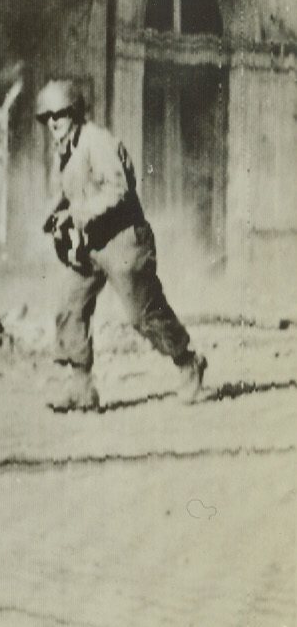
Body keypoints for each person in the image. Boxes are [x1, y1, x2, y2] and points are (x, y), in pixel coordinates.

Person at [35, 78, 207, 412]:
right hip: (90, 244)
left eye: (61, 114)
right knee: (70, 306)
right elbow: (72, 190)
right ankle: (81, 388)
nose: (54, 122)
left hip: (123, 240)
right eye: (48, 117)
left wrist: (76, 214)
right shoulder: (67, 150)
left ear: (75, 113)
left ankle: (188, 361)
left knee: (142, 316)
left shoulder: (97, 142)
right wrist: (53, 212)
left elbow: (118, 191)